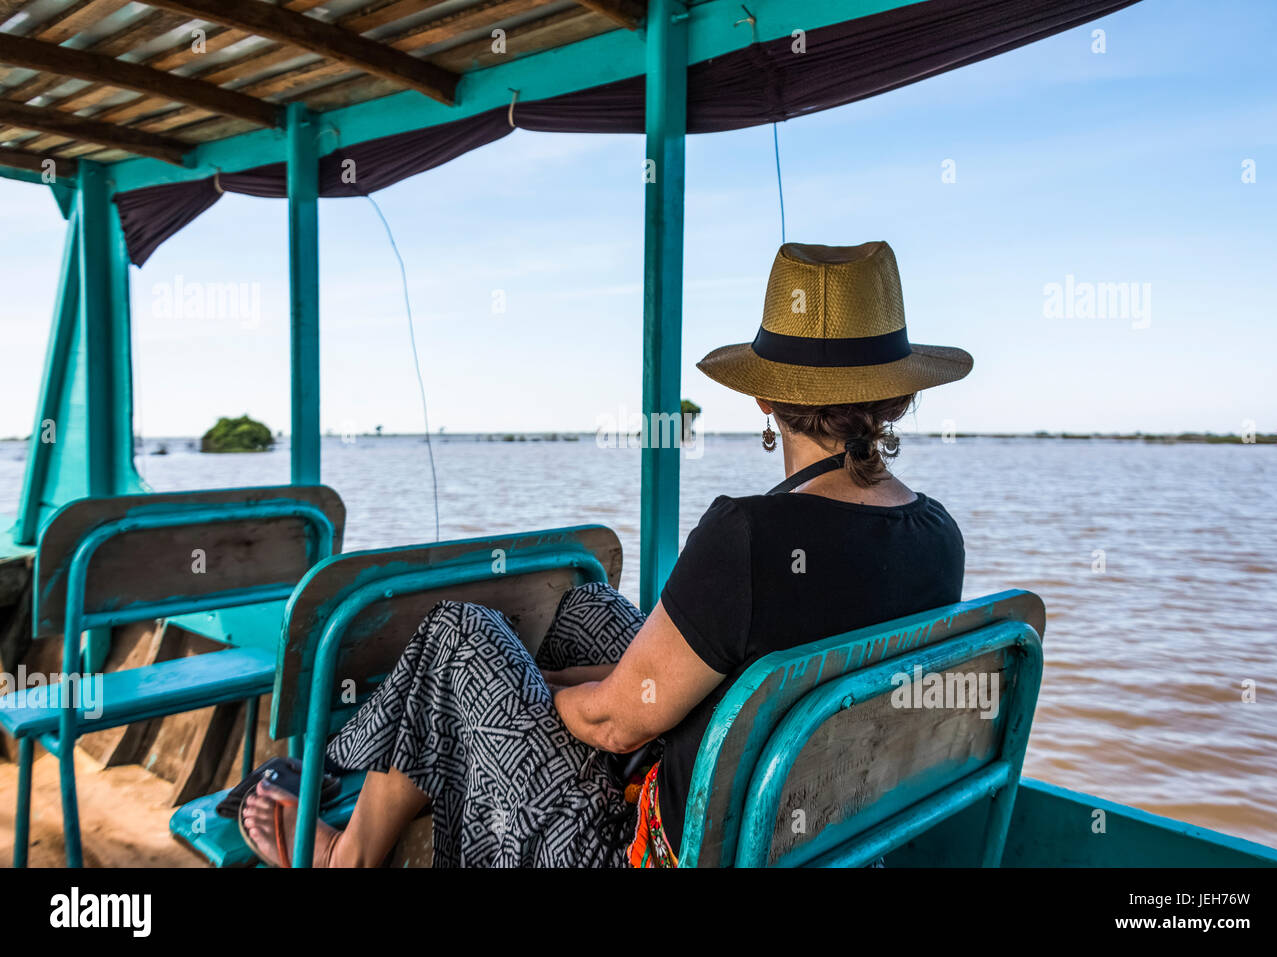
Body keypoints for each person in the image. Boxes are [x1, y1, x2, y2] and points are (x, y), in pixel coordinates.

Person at [239, 240, 972, 867]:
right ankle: (423, 762)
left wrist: (526, 695)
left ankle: (346, 855)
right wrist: (542, 686)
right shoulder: (939, 538)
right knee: (585, 607)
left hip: (653, 848)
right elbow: (756, 665)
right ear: (896, 400)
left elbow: (615, 726)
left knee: (457, 638)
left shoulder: (748, 538)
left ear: (764, 401)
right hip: (803, 828)